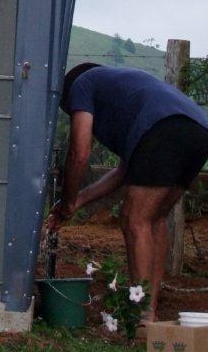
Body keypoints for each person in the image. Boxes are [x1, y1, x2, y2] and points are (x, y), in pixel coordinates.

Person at [46, 63, 208, 322]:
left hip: (164, 128)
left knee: (135, 218)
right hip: (198, 132)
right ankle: (148, 310)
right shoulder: (123, 92)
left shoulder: (81, 85)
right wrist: (78, 201)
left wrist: (65, 202)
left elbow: (79, 153)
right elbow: (124, 172)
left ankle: (141, 312)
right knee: (154, 219)